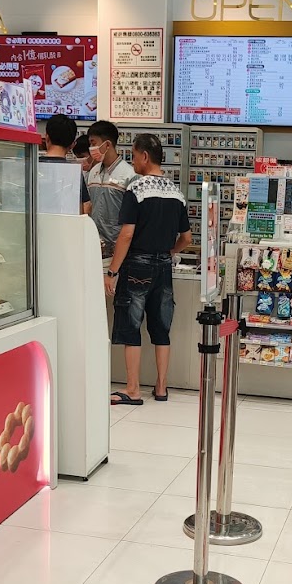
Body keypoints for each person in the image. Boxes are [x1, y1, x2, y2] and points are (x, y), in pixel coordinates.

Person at [107, 133, 192, 405]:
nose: (133, 162)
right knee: (161, 328)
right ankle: (161, 387)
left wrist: (112, 271)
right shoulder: (176, 193)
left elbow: (126, 235)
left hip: (136, 266)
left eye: (133, 156)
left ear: (144, 156)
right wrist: (170, 252)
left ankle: (133, 389)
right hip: (164, 267)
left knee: (131, 326)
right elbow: (187, 238)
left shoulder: (136, 189)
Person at [85, 120, 136, 258]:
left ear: (107, 144)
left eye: (93, 143)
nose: (91, 148)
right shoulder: (93, 172)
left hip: (118, 248)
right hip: (94, 245)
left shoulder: (129, 175)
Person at [40, 114, 90, 215]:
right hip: (65, 224)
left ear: (47, 137)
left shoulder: (33, 166)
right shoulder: (74, 172)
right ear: (72, 144)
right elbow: (83, 209)